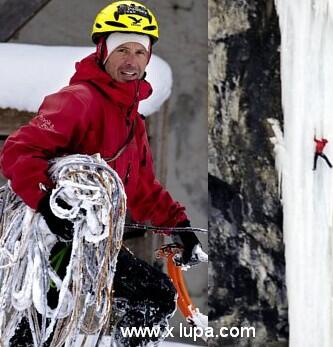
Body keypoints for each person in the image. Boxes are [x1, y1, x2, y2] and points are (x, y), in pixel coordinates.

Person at [0, 1, 201, 346]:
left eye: (140, 51)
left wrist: (178, 227)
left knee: (153, 296)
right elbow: (18, 150)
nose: (131, 60)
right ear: (103, 51)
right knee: (37, 330)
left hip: (94, 245)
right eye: (122, 49)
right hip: (54, 242)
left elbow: (140, 188)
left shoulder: (132, 121)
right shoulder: (78, 101)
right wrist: (48, 202)